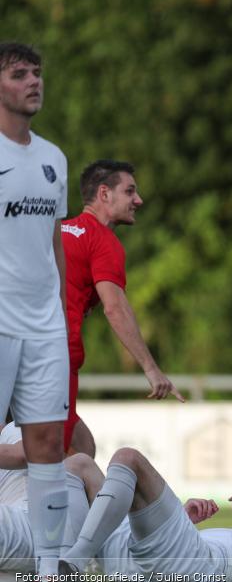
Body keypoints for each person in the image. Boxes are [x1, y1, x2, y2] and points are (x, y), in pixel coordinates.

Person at [0, 42, 71, 582]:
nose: (33, 82)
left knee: (47, 442)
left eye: (37, 73)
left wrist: (61, 314)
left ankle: (48, 577)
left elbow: (53, 244)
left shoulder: (54, 157)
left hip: (44, 325)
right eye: (19, 74)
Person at [62, 160, 184, 456]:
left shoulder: (57, 231)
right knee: (47, 456)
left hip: (15, 348)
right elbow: (115, 308)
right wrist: (152, 369)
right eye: (130, 191)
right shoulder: (103, 241)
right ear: (104, 194)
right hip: (54, 355)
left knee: (81, 448)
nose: (138, 200)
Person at [61, 447, 232, 582]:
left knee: (129, 459)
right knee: (78, 464)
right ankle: (58, 567)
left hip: (195, 568)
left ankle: (72, 561)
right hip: (139, 566)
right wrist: (182, 519)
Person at [0, 420, 103, 582]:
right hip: (28, 546)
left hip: (31, 530)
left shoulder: (16, 427)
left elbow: (24, 455)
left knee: (79, 463)